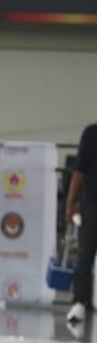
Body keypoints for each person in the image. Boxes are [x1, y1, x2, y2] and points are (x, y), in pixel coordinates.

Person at [64, 121, 97, 325]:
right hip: (93, 203)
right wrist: (70, 203)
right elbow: (79, 170)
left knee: (85, 255)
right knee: (86, 254)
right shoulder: (92, 133)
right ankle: (79, 302)